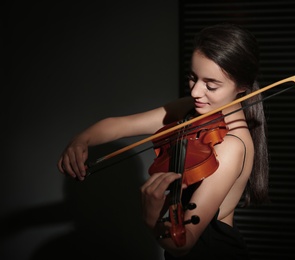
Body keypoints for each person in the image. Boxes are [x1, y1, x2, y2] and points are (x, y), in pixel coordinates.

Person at [58, 23, 269, 259]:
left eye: (211, 85)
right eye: (193, 78)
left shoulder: (232, 145)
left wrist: (151, 219)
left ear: (242, 87)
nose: (196, 92)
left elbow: (184, 243)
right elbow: (121, 125)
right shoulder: (193, 110)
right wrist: (81, 140)